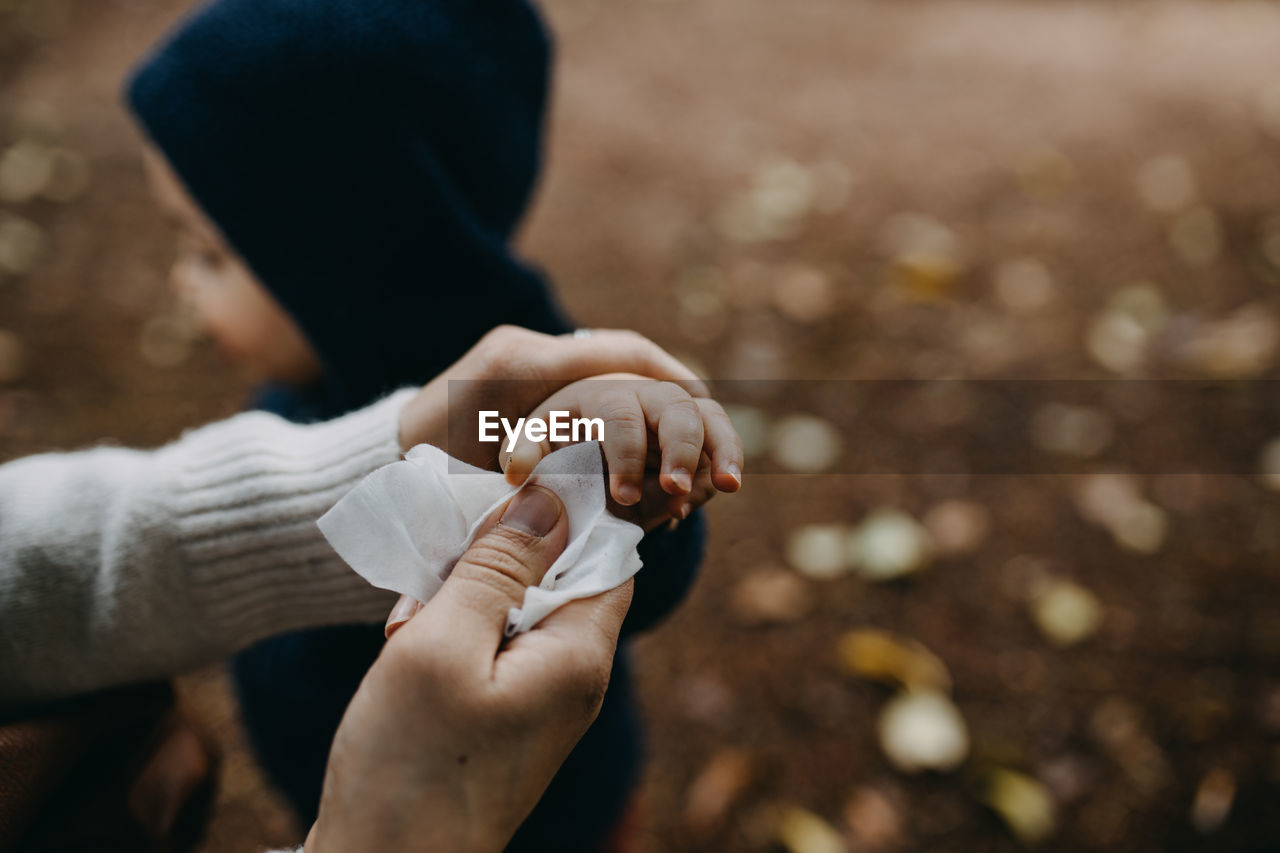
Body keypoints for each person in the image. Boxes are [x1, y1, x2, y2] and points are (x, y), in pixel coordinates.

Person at [124, 0, 731, 846]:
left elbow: (637, 562)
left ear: (339, 250)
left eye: (211, 253)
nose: (183, 286)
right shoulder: (300, 395)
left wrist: (635, 471)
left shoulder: (525, 398)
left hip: (533, 820)